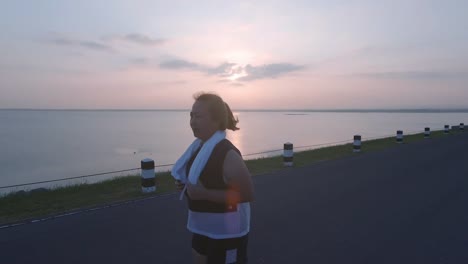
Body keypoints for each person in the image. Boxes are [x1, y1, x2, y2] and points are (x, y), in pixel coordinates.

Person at [172, 92, 254, 264]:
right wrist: (186, 187)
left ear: (216, 120)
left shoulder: (228, 154)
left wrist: (204, 194)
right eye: (191, 116)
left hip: (228, 233)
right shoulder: (198, 148)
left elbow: (247, 194)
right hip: (202, 227)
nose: (192, 122)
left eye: (199, 116)